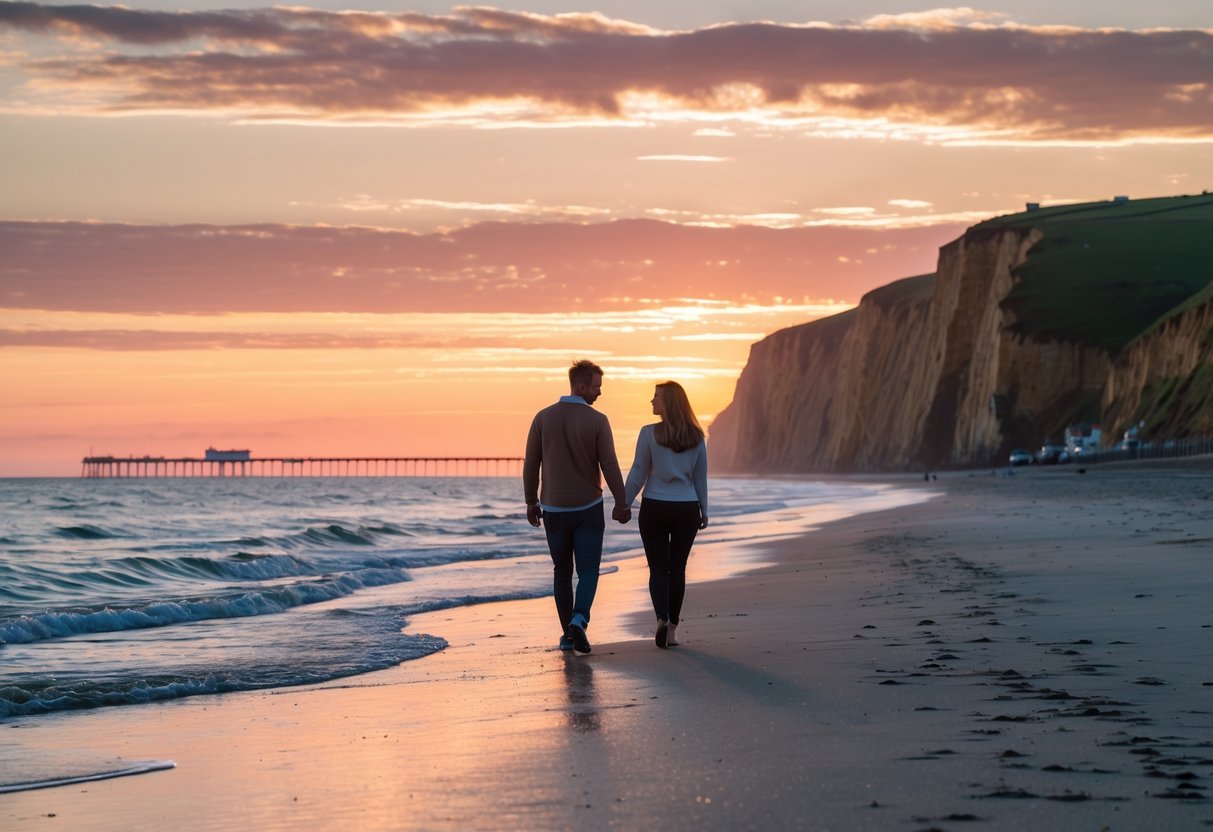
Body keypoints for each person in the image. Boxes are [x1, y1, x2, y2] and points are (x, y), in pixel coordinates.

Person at [524, 360, 630, 654]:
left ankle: (567, 635)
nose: (599, 393)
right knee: (588, 570)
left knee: (561, 571)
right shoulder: (598, 420)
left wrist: (530, 501)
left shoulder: (542, 417)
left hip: (554, 510)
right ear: (581, 386)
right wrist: (621, 502)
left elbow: (532, 462)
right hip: (588, 508)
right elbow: (608, 463)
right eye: (596, 387)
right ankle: (579, 619)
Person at [623, 381, 708, 649]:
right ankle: (671, 630)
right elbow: (700, 478)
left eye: (656, 397)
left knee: (658, 567)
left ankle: (660, 617)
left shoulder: (648, 433)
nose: (651, 401)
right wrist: (704, 510)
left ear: (669, 403)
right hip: (686, 509)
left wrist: (623, 502)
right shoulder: (696, 436)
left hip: (655, 507)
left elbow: (638, 472)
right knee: (678, 568)